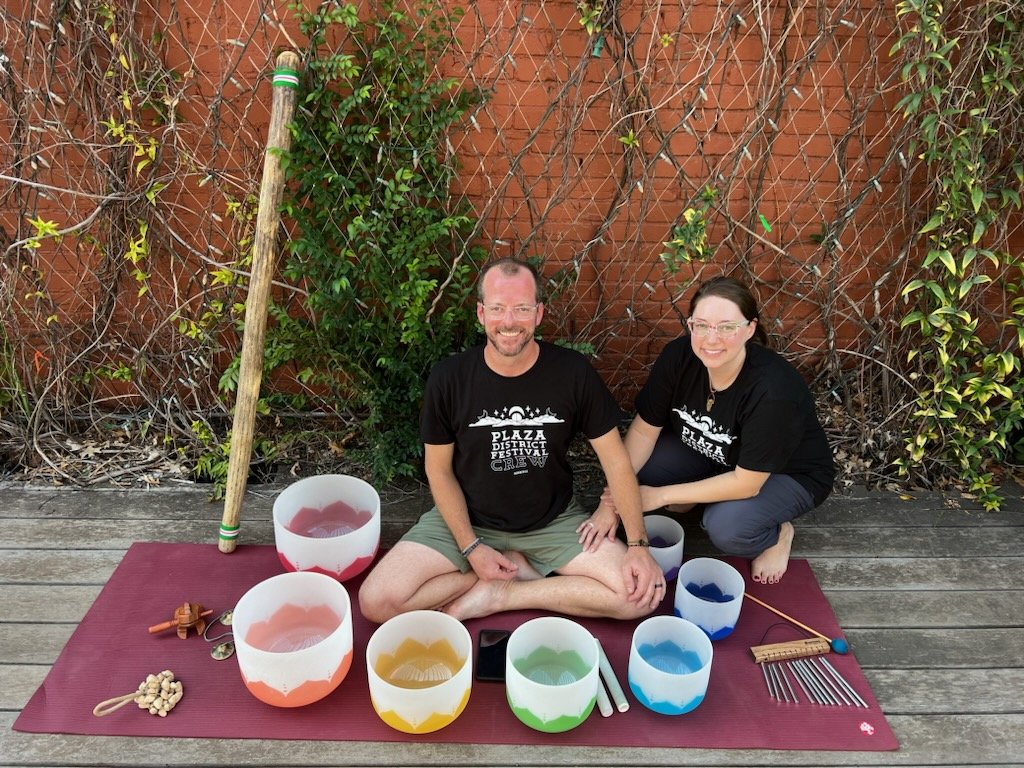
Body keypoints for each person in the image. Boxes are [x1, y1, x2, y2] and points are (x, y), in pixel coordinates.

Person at [358, 258, 664, 623]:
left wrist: (638, 545)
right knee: (376, 602)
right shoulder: (449, 379)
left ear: (538, 314)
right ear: (480, 313)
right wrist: (472, 549)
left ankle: (507, 592)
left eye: (521, 309)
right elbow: (438, 471)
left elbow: (616, 462)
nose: (508, 322)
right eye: (498, 309)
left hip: (551, 521)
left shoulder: (572, 373)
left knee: (641, 597)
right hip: (467, 520)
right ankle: (493, 572)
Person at [584, 275, 835, 585]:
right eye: (701, 325)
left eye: (726, 327)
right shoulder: (679, 358)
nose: (711, 339)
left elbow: (746, 483)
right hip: (718, 453)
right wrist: (611, 506)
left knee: (727, 528)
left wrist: (658, 496)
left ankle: (779, 534)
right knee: (642, 467)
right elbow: (643, 433)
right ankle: (702, 495)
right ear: (690, 326)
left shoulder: (773, 391)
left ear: (750, 329)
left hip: (785, 474)